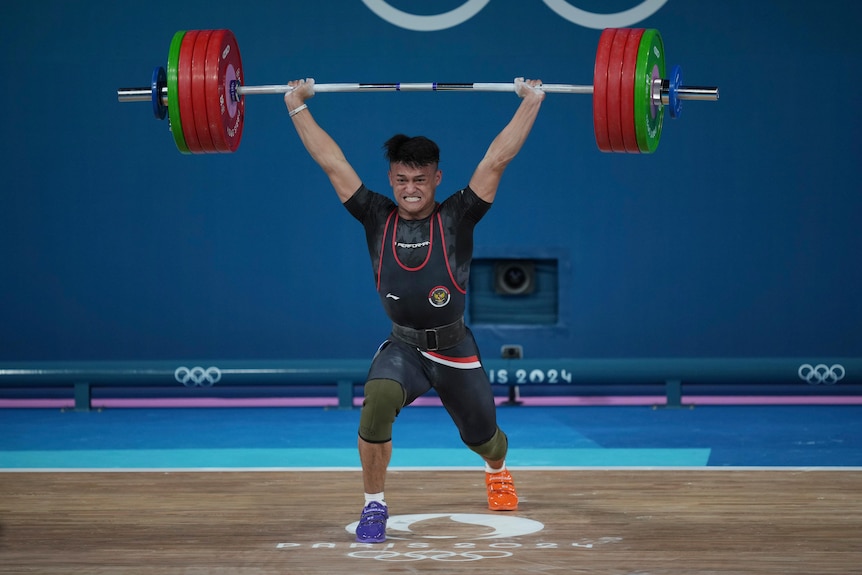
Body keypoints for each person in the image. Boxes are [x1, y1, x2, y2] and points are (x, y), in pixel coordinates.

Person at [284, 78, 545, 543]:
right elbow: (331, 161)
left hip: (454, 347)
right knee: (377, 401)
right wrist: (295, 106)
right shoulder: (374, 214)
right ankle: (374, 507)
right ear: (391, 179)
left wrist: (532, 102)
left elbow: (498, 158)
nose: (410, 189)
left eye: (420, 180)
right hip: (403, 346)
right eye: (402, 180)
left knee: (483, 435)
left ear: (436, 178)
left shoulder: (458, 215)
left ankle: (498, 468)